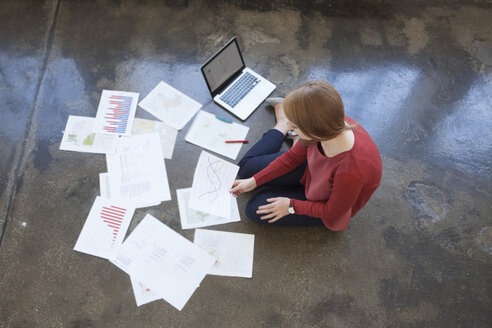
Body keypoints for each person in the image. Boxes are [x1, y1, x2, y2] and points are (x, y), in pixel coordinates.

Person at [229, 80, 382, 231]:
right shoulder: (325, 124)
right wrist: (254, 181)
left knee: (255, 208)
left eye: (294, 127)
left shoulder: (351, 171)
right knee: (246, 171)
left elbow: (333, 211)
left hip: (326, 202)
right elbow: (292, 158)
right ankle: (283, 125)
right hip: (314, 171)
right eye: (291, 125)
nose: (293, 128)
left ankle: (288, 183)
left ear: (312, 131)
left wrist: (291, 206)